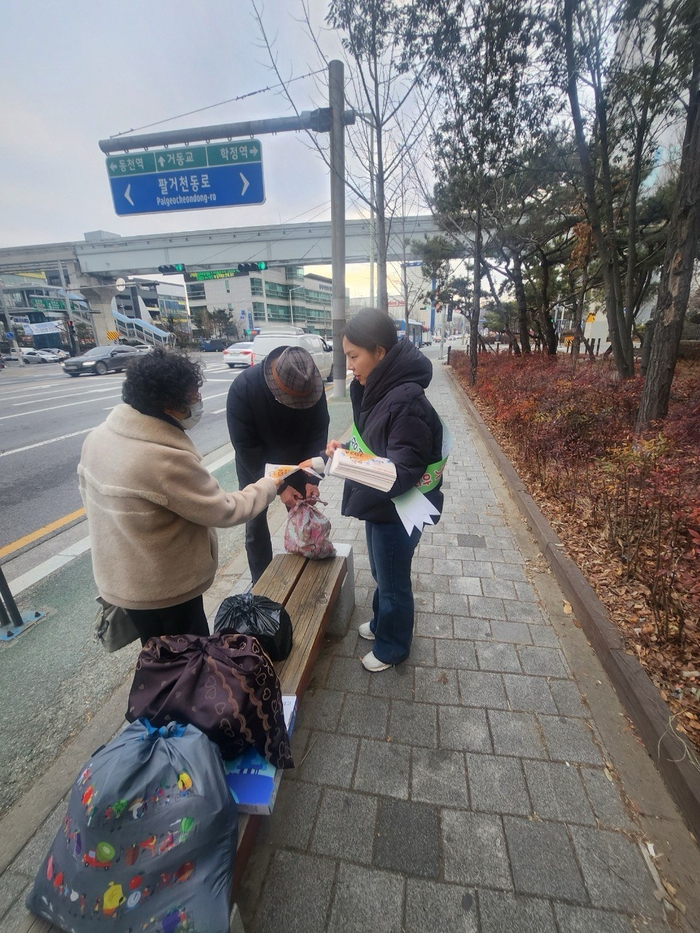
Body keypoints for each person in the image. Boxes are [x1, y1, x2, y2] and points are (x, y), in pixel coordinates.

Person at [78, 347, 284, 645]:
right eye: (192, 396)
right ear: (167, 404)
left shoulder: (98, 437)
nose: (197, 402)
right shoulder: (163, 459)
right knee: (187, 661)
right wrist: (269, 484)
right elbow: (225, 510)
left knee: (156, 654)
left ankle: (162, 689)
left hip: (124, 579)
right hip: (165, 587)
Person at [326, 308, 444, 672]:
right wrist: (345, 454)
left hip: (398, 508)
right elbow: (379, 446)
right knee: (381, 572)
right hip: (379, 504)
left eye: (353, 356)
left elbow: (403, 470)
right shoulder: (378, 389)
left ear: (379, 352)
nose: (350, 366)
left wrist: (349, 465)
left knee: (393, 581)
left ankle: (393, 647)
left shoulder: (404, 399)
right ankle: (381, 625)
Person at [226, 345, 330, 584]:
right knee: (255, 525)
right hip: (256, 461)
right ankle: (260, 582)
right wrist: (280, 488)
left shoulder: (311, 383)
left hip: (297, 459)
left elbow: (318, 432)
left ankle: (304, 570)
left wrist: (312, 477)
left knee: (302, 513)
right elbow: (245, 447)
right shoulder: (244, 389)